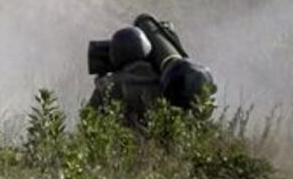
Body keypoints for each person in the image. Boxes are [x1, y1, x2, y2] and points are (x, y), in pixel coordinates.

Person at [88, 14, 216, 125]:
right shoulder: (167, 81)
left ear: (115, 54)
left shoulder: (109, 86)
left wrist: (100, 83)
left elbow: (89, 120)